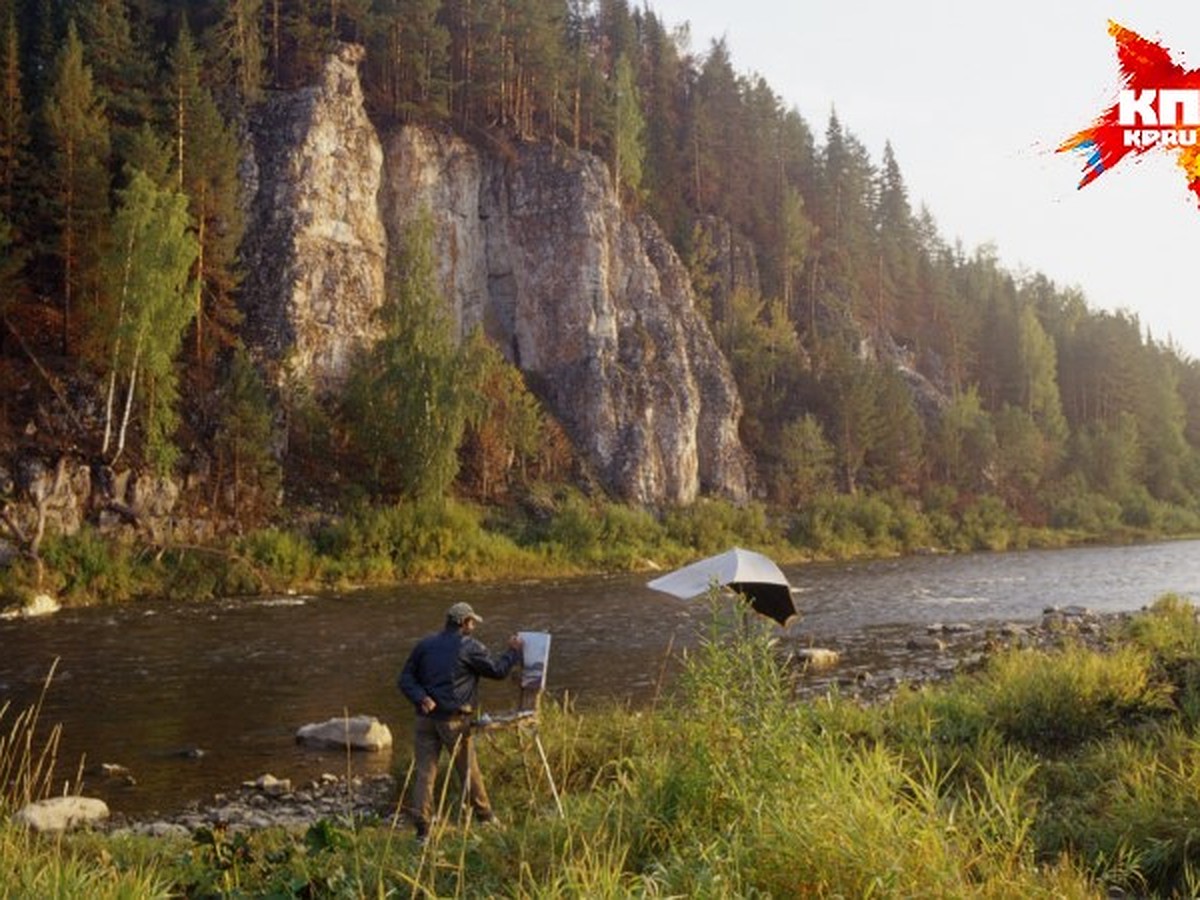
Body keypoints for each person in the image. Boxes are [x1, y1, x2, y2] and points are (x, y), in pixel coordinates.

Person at [398, 601, 523, 840]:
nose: (474, 626)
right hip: (453, 721)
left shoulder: (425, 645)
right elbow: (497, 671)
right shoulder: (469, 646)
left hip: (424, 719)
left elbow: (405, 679)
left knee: (425, 774)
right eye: (472, 622)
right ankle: (486, 817)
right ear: (464, 623)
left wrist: (421, 697)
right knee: (468, 770)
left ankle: (423, 832)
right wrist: (513, 651)